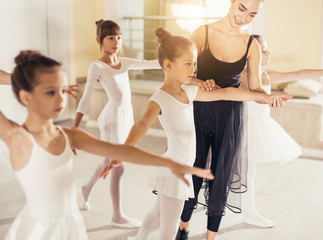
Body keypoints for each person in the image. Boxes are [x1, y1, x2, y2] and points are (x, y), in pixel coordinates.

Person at [1, 50, 214, 240]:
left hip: (70, 223)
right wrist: (17, 79)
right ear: (25, 96)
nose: (60, 99)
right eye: (50, 92)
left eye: (62, 90)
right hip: (38, 230)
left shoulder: (71, 135)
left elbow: (120, 150)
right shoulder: (17, 137)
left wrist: (169, 164)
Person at [101, 27, 291, 240]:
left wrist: (265, 98)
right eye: (188, 64)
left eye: (194, 63)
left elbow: (227, 93)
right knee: (167, 229)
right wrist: (123, 151)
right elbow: (142, 124)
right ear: (168, 65)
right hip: (176, 172)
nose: (194, 68)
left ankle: (138, 238)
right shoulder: (160, 98)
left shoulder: (189, 92)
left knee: (156, 215)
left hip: (179, 168)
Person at [177, 0, 273, 239]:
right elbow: (181, 74)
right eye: (241, 8)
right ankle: (183, 227)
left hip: (231, 116)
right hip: (199, 111)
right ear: (231, 1)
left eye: (251, 14)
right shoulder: (202, 34)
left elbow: (257, 90)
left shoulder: (252, 46)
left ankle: (211, 236)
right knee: (194, 170)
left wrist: (271, 99)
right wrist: (201, 82)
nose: (244, 17)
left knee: (222, 174)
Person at [238, 34, 323, 227]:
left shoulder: (266, 75)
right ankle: (235, 207)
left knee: (248, 171)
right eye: (263, 50)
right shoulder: (242, 77)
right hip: (245, 126)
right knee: (234, 168)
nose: (268, 53)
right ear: (251, 54)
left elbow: (299, 74)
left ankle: (249, 210)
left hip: (261, 125)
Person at [72, 19, 162, 228]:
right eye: (111, 37)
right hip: (112, 119)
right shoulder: (97, 66)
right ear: (99, 40)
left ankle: (86, 189)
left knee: (108, 161)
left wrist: (171, 54)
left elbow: (152, 64)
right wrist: (75, 128)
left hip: (125, 117)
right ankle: (117, 216)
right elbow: (85, 98)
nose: (116, 41)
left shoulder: (126, 62)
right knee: (118, 166)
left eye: (119, 37)